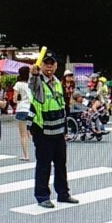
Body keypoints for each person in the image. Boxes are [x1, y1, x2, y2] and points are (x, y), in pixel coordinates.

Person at [28, 51, 78, 208]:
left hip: (58, 131)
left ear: (56, 66)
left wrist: (65, 130)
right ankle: (42, 196)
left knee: (61, 164)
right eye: (46, 63)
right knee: (44, 165)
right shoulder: (38, 82)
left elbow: (62, 107)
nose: (49, 66)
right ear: (41, 65)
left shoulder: (57, 82)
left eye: (52, 63)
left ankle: (63, 193)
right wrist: (34, 74)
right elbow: (33, 84)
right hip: (42, 131)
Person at [13, 66, 31, 161]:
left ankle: (26, 155)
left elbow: (14, 99)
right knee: (31, 134)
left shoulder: (18, 84)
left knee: (23, 135)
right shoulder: (30, 84)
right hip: (31, 110)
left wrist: (19, 98)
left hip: (21, 109)